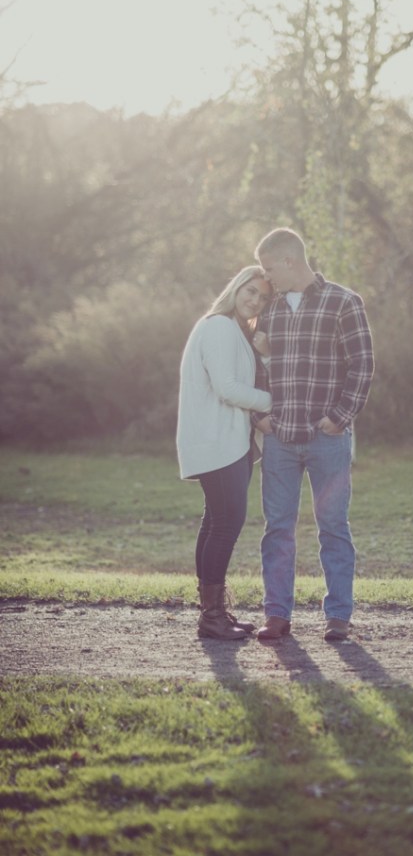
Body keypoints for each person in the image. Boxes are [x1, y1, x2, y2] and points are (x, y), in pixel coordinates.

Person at [252, 228, 374, 642]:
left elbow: (362, 365)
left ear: (289, 261)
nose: (266, 279)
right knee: (278, 527)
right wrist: (259, 417)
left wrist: (340, 417)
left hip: (327, 439)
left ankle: (338, 615)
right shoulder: (268, 310)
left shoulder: (343, 301)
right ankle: (276, 615)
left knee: (333, 525)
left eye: (270, 269)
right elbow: (252, 366)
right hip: (280, 438)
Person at [176, 266, 273, 640]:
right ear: (236, 287)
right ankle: (211, 617)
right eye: (250, 291)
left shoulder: (234, 330)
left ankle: (214, 612)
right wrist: (272, 403)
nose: (255, 300)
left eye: (263, 297)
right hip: (216, 442)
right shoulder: (218, 326)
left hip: (228, 441)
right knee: (227, 523)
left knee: (215, 521)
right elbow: (228, 388)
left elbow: (240, 381)